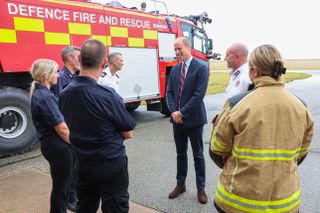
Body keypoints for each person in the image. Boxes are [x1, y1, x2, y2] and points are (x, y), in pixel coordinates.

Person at [209, 44, 314, 213]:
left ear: (255, 71)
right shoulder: (302, 107)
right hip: (285, 204)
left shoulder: (236, 105)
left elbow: (217, 150)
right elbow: (301, 154)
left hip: (236, 203)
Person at [59, 39, 136, 213]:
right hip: (110, 163)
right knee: (115, 208)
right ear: (103, 63)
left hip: (82, 164)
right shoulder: (108, 96)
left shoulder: (65, 93)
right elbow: (128, 133)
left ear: (79, 60)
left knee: (85, 206)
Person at [166, 37, 209, 204]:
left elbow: (199, 95)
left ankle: (201, 188)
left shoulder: (201, 68)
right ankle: (180, 184)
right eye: (175, 50)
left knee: (198, 154)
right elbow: (169, 92)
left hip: (194, 119)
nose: (177, 53)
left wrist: (182, 113)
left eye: (179, 49)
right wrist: (174, 112)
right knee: (180, 154)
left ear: (187, 47)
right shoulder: (175, 70)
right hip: (177, 121)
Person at [30, 59, 72, 213]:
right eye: (55, 72)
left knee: (62, 185)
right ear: (46, 75)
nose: (58, 76)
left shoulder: (41, 93)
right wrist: (76, 145)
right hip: (59, 147)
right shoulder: (45, 97)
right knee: (62, 186)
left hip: (53, 146)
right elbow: (61, 129)